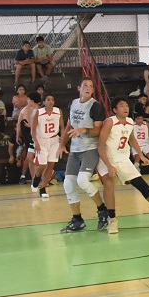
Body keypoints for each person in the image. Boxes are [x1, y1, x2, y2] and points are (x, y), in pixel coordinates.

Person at [97, 97, 149, 234]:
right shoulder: (109, 122)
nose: (125, 108)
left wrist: (141, 155)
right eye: (121, 105)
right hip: (107, 159)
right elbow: (100, 146)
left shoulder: (130, 122)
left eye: (126, 105)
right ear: (115, 110)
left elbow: (132, 139)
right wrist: (109, 165)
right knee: (109, 184)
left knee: (142, 185)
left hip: (123, 159)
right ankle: (112, 219)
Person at [59, 78, 110, 232]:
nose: (88, 88)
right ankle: (77, 220)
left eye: (91, 86)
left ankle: (102, 210)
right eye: (85, 86)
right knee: (68, 184)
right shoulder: (73, 104)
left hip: (90, 148)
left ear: (93, 90)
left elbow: (98, 131)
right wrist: (62, 144)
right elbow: (69, 125)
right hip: (75, 150)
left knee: (82, 180)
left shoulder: (95, 107)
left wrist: (84, 130)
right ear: (79, 88)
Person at [31, 93, 62, 199]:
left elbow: (62, 127)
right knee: (43, 165)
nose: (50, 101)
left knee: (51, 165)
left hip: (54, 140)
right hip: (42, 140)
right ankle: (36, 178)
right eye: (48, 99)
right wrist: (36, 142)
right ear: (44, 102)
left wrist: (62, 138)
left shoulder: (58, 112)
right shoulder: (39, 112)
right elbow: (33, 129)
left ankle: (43, 188)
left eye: (52, 99)